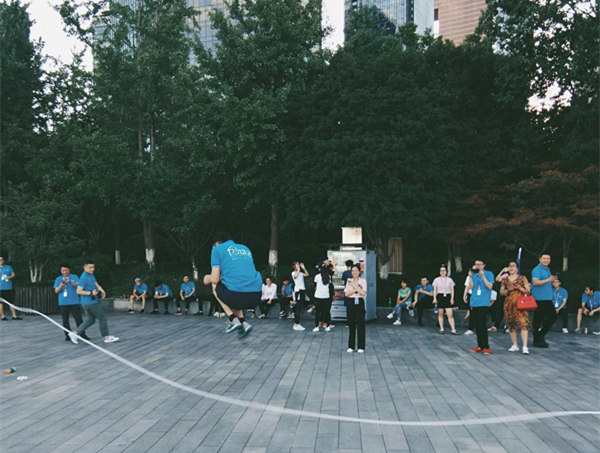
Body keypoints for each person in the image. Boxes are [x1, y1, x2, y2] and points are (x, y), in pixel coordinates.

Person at [202, 232, 262, 339]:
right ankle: (243, 322)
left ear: (216, 244)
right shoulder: (245, 248)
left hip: (236, 295)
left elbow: (215, 279)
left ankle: (232, 318)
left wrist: (207, 278)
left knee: (215, 284)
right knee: (233, 284)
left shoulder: (217, 249)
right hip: (256, 295)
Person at [68, 260, 119, 344]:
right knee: (102, 317)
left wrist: (102, 290)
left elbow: (96, 284)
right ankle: (107, 337)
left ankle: (74, 333)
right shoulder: (83, 278)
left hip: (91, 302)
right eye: (90, 267)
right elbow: (78, 291)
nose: (92, 269)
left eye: (93, 267)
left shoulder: (91, 275)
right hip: (89, 303)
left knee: (90, 320)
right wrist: (90, 293)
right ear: (84, 267)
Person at [499, 261, 532, 354]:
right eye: (510, 266)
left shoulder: (522, 278)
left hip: (521, 304)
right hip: (509, 304)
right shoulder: (505, 279)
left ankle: (525, 346)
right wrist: (508, 290)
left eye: (513, 266)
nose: (511, 268)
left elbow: (528, 291)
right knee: (511, 324)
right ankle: (514, 345)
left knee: (523, 324)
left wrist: (520, 288)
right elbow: (501, 292)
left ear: (517, 268)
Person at [54, 264, 89, 341]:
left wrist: (70, 282)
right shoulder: (58, 279)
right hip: (63, 302)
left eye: (66, 270)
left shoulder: (74, 277)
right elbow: (56, 291)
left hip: (74, 301)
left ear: (69, 270)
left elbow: (79, 286)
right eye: (63, 270)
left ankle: (82, 333)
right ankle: (68, 335)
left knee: (78, 319)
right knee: (65, 320)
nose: (64, 272)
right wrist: (61, 285)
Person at [468, 259, 494, 354]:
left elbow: (490, 286)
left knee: (482, 324)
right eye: (476, 264)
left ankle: (486, 346)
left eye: (479, 264)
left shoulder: (489, 274)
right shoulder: (474, 275)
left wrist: (483, 276)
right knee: (477, 325)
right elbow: (471, 287)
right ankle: (480, 345)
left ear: (484, 265)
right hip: (474, 301)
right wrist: (470, 277)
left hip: (483, 302)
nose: (477, 266)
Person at [531, 253, 556, 348]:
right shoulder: (537, 269)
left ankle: (540, 335)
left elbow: (546, 282)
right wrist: (548, 280)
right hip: (539, 298)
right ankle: (537, 339)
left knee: (553, 316)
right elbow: (535, 282)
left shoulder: (547, 269)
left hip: (547, 297)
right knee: (538, 319)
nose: (546, 260)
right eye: (544, 258)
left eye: (548, 258)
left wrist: (551, 281)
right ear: (540, 259)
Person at [345, 264, 367, 353]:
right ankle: (351, 346)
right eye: (353, 271)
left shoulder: (363, 281)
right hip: (351, 302)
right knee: (351, 324)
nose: (354, 272)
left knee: (361, 324)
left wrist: (354, 286)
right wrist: (356, 289)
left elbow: (363, 293)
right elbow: (347, 294)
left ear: (359, 271)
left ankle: (361, 346)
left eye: (356, 270)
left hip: (359, 302)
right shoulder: (349, 281)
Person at [433, 266, 457, 334]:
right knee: (440, 314)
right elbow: (435, 290)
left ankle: (453, 329)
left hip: (448, 296)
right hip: (440, 296)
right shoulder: (436, 279)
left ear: (446, 271)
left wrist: (452, 298)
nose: (442, 272)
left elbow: (452, 290)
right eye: (441, 270)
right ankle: (441, 328)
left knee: (450, 314)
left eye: (444, 270)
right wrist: (434, 298)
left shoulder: (450, 280)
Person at [313, 266, 333, 332]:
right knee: (327, 311)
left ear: (320, 269)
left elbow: (314, 285)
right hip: (326, 296)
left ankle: (317, 326)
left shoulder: (317, 276)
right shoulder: (328, 276)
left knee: (318, 312)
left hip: (318, 296)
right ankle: (327, 326)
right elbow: (330, 286)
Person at [291, 261, 309, 331]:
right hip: (298, 291)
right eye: (297, 265)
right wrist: (298, 270)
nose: (298, 265)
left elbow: (307, 274)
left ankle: (296, 324)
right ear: (294, 266)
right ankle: (296, 324)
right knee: (298, 307)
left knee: (299, 307)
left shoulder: (300, 273)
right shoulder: (293, 273)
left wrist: (304, 268)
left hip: (302, 291)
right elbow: (295, 276)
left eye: (298, 264)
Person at [463, 269, 475, 335]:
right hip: (471, 295)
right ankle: (470, 328)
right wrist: (464, 296)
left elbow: (472, 286)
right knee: (471, 312)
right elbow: (467, 287)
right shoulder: (468, 277)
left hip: (478, 295)